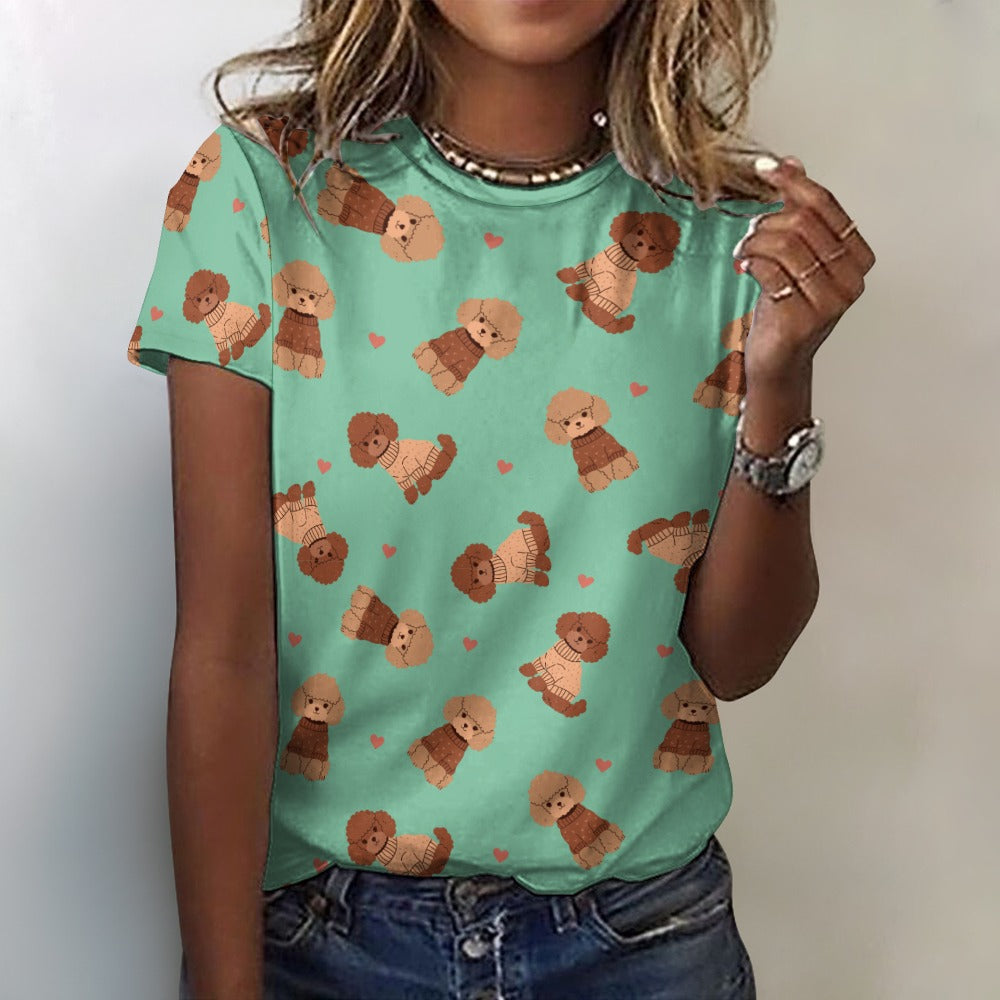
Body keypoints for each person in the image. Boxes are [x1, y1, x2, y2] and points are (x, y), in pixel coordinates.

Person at [125, 1, 874, 997]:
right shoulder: (265, 189)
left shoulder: (735, 233)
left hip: (642, 940)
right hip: (326, 941)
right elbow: (224, 652)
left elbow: (738, 659)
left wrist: (782, 380)